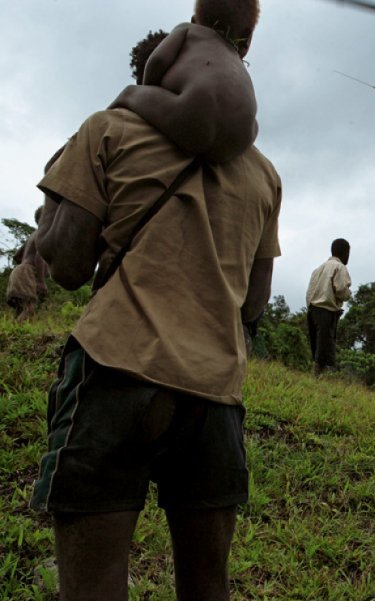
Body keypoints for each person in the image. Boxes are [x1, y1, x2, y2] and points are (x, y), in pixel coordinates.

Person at [29, 28, 281, 601]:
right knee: (207, 586)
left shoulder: (107, 129)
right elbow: (255, 303)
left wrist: (52, 209)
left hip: (113, 369)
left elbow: (67, 265)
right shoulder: (264, 173)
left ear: (152, 77)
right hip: (215, 395)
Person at [110, 0, 259, 164]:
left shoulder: (187, 30)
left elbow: (158, 60)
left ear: (194, 20)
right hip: (238, 139)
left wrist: (151, 92)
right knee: (253, 124)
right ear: (247, 40)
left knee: (128, 93)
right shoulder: (239, 66)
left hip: (191, 116)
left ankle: (103, 130)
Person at [306, 239, 352, 375]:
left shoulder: (318, 269)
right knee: (326, 347)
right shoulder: (340, 267)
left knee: (317, 346)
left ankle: (317, 376)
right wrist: (348, 295)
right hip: (326, 312)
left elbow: (310, 292)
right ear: (345, 252)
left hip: (312, 310)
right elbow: (341, 290)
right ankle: (323, 378)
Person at [6, 207, 49, 321]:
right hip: (27, 271)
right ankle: (21, 332)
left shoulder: (33, 235)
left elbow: (16, 256)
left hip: (17, 271)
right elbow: (39, 256)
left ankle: (15, 331)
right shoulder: (43, 233)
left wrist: (23, 268)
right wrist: (40, 281)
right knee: (29, 308)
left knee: (20, 309)